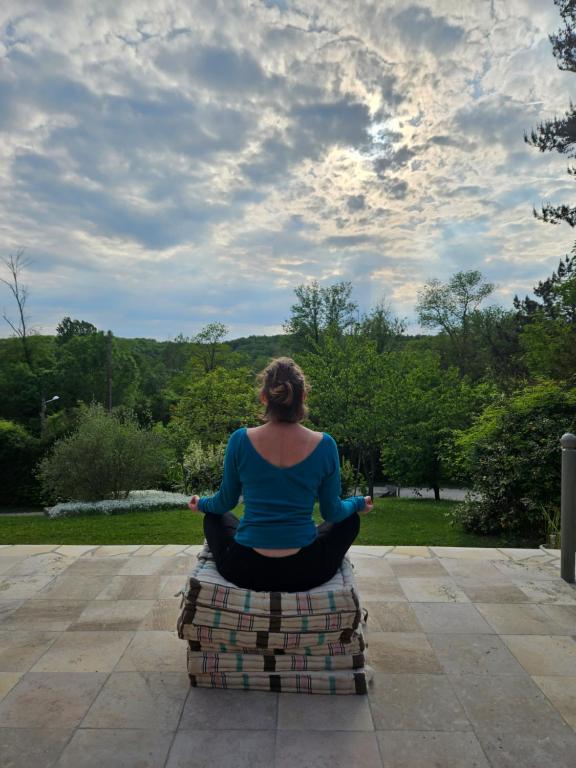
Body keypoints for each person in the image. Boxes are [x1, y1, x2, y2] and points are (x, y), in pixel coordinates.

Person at [187, 356, 373, 592]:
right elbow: (332, 511)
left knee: (213, 516)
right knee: (350, 519)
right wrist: (358, 503)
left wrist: (200, 503)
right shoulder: (325, 445)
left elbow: (225, 501)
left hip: (244, 569)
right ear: (303, 396)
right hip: (306, 570)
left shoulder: (240, 440)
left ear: (264, 397)